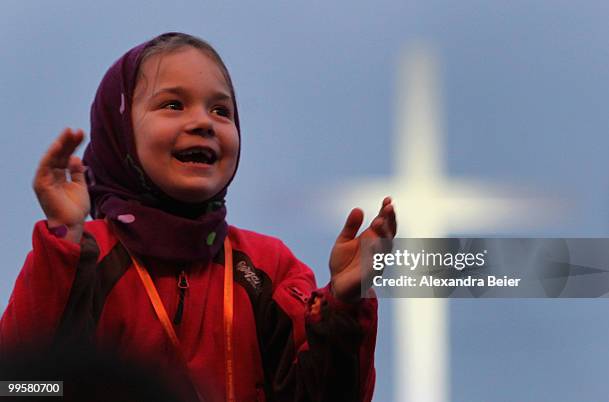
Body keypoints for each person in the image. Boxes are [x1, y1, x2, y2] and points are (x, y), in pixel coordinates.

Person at [0, 32, 396, 402]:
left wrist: (345, 307)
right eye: (173, 104)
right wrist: (64, 244)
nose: (203, 122)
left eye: (221, 110)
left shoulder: (269, 266)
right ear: (118, 129)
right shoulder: (83, 257)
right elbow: (20, 385)